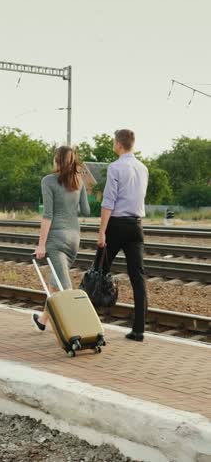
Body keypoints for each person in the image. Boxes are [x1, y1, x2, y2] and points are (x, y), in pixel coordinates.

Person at [98, 129, 149, 342]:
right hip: (136, 226)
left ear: (118, 145)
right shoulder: (143, 168)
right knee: (138, 277)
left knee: (99, 272)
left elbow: (109, 200)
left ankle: (90, 324)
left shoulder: (115, 167)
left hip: (117, 225)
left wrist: (102, 231)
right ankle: (139, 330)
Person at [32, 146, 90, 331]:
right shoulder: (79, 180)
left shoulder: (48, 181)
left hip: (56, 238)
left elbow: (47, 215)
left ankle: (79, 328)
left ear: (57, 160)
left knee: (65, 286)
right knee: (56, 282)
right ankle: (43, 320)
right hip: (74, 238)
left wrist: (41, 245)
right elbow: (86, 211)